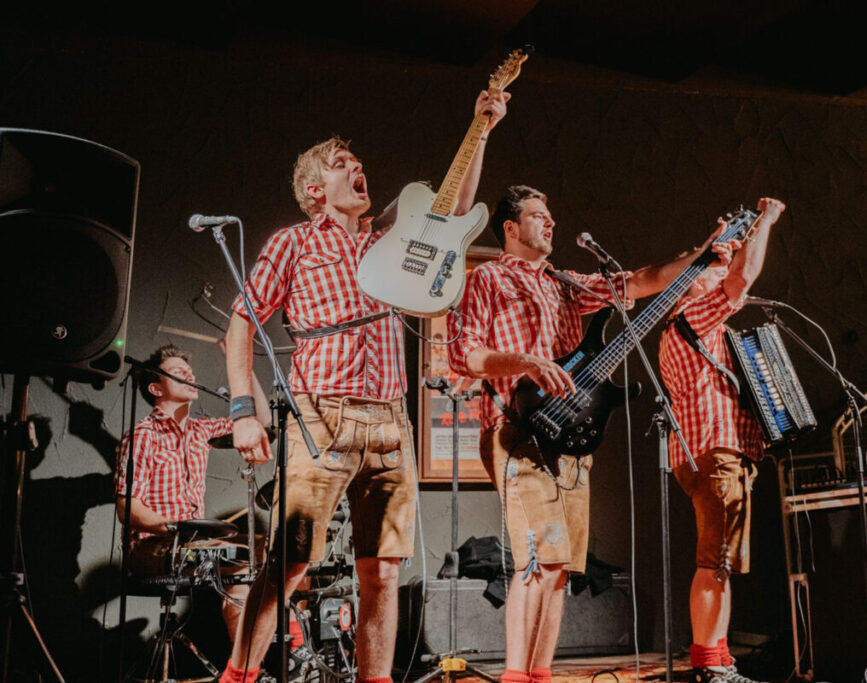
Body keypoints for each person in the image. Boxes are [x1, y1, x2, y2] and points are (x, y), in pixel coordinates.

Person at [220, 89, 509, 683]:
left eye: (359, 163)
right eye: (341, 165)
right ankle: (238, 677)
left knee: (382, 570)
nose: (357, 168)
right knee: (291, 561)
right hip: (321, 418)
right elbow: (240, 325)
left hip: (390, 422)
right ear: (313, 191)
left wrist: (480, 128)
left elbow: (455, 211)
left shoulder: (389, 241)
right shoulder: (293, 242)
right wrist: (243, 409)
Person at [447, 185, 736, 683]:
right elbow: (464, 354)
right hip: (518, 432)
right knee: (536, 563)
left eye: (551, 214)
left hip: (571, 436)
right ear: (511, 229)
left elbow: (643, 280)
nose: (551, 222)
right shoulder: (487, 278)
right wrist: (526, 363)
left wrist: (701, 254)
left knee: (559, 570)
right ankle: (517, 676)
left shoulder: (565, 282)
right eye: (538, 216)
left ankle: (539, 675)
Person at [657, 197, 785, 683]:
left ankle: (719, 660)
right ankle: (708, 665)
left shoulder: (694, 330)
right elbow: (739, 281)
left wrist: (723, 244)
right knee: (713, 562)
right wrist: (765, 221)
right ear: (692, 289)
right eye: (711, 275)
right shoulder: (688, 320)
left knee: (721, 563)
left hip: (712, 454)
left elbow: (732, 275)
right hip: (713, 453)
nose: (721, 278)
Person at [115, 343, 271, 644]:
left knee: (275, 551)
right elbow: (127, 509)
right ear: (156, 388)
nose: (189, 374)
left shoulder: (201, 432)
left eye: (189, 371)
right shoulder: (142, 436)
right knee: (238, 558)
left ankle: (270, 664)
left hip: (194, 546)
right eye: (178, 372)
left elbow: (260, 422)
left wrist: (244, 365)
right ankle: (247, 670)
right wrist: (179, 529)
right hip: (153, 549)